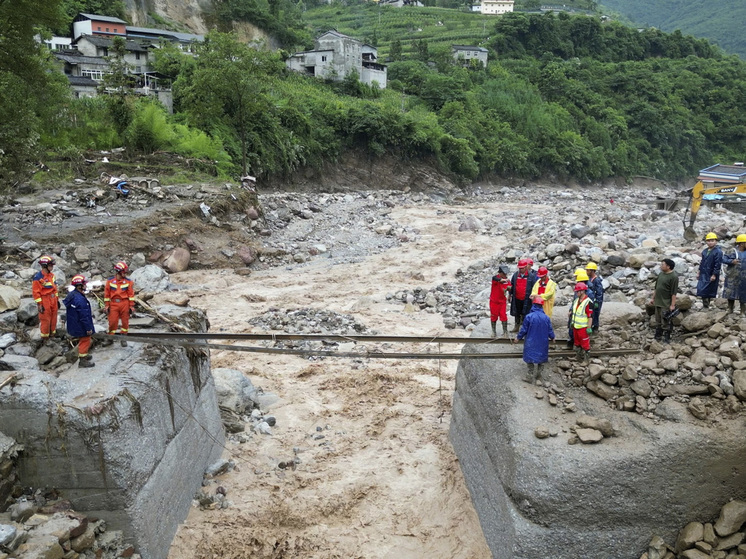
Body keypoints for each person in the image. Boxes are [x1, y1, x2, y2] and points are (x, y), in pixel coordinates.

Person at [514, 295, 555, 383]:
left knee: (529, 357)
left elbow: (523, 330)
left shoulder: (529, 317)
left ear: (533, 304)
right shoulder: (546, 318)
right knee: (541, 358)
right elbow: (550, 330)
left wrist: (518, 338)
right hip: (542, 342)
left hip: (531, 341)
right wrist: (552, 337)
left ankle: (530, 375)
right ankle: (539, 376)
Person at [63, 275, 95, 368]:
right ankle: (82, 360)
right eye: (84, 284)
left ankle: (84, 354)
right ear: (79, 286)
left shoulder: (72, 295)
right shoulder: (80, 299)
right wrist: (88, 328)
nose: (86, 286)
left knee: (83, 340)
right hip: (80, 324)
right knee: (85, 340)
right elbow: (84, 316)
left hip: (74, 323)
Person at [105, 261, 136, 346]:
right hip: (113, 304)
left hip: (124, 303)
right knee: (112, 322)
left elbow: (131, 295)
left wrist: (131, 306)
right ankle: (110, 338)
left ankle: (123, 338)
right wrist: (107, 305)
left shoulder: (128, 282)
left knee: (125, 322)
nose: (125, 273)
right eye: (124, 272)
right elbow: (107, 294)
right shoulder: (110, 281)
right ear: (119, 271)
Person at [32, 255, 59, 342]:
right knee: (45, 319)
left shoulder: (52, 276)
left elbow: (55, 288)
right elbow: (36, 292)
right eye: (51, 265)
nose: (52, 267)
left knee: (54, 317)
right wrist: (39, 305)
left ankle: (52, 335)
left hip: (53, 299)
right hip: (45, 300)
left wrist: (57, 300)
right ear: (45, 266)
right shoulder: (38, 278)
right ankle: (45, 338)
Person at [652, 258, 679, 343]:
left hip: (666, 302)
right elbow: (656, 288)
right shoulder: (661, 274)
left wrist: (672, 305)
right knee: (658, 320)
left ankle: (667, 337)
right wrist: (653, 298)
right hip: (658, 301)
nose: (661, 266)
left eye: (662, 264)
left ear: (668, 266)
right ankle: (658, 336)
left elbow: (674, 292)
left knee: (666, 321)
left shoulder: (674, 277)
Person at [510, 259, 537, 332]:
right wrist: (510, 295)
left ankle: (525, 329)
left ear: (525, 267)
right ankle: (516, 327)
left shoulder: (531, 276)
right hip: (517, 298)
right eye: (520, 268)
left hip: (526, 299)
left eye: (522, 268)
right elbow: (512, 285)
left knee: (526, 313)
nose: (521, 269)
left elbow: (534, 287)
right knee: (517, 313)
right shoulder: (515, 275)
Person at [696, 232, 722, 309]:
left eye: (712, 240)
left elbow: (718, 264)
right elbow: (702, 262)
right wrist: (699, 272)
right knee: (701, 288)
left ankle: (707, 304)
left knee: (710, 289)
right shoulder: (704, 251)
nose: (710, 242)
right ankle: (705, 303)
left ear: (716, 241)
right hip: (704, 272)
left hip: (711, 272)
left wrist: (714, 274)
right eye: (709, 241)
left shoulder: (718, 252)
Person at [722, 234, 746, 314]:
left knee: (743, 293)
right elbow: (724, 259)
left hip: (744, 277)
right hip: (732, 276)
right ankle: (730, 309)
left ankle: (743, 311)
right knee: (730, 292)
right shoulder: (732, 251)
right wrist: (731, 261)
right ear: (742, 243)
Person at [570, 282, 593, 362]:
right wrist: (572, 322)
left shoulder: (588, 302)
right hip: (576, 326)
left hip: (583, 328)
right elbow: (575, 313)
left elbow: (590, 317)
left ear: (582, 291)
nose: (576, 293)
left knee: (585, 344)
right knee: (577, 343)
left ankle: (586, 360)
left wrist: (589, 327)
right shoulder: (576, 300)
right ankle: (578, 357)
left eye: (577, 291)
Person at [489, 264, 512, 337]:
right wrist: (501, 280)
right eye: (504, 273)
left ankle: (505, 331)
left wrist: (509, 290)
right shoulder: (496, 279)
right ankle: (493, 331)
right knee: (493, 316)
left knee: (503, 316)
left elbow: (510, 287)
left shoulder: (507, 280)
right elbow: (494, 278)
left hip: (502, 301)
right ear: (500, 273)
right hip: (494, 301)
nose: (506, 275)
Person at [585, 262, 605, 332]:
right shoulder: (590, 279)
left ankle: (595, 327)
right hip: (591, 300)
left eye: (588, 270)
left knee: (595, 314)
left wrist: (597, 301)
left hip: (596, 301)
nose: (586, 272)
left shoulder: (597, 280)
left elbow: (599, 292)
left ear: (592, 271)